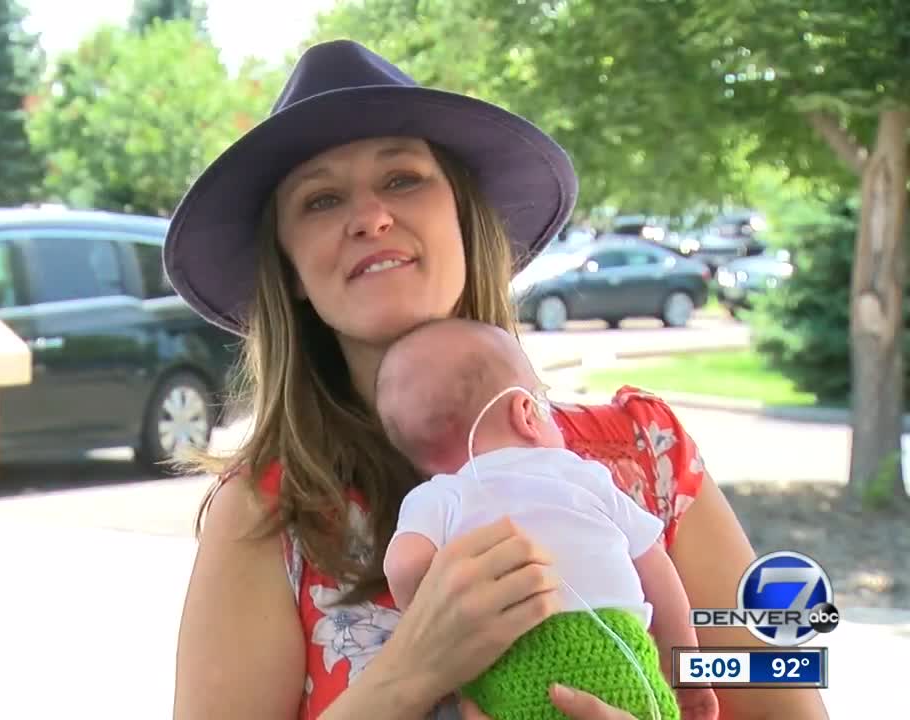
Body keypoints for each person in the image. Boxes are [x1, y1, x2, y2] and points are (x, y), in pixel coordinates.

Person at [167, 39, 829, 720]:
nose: (369, 217)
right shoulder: (268, 512)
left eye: (402, 178)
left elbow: (773, 688)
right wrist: (409, 672)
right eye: (321, 199)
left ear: (464, 215)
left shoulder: (646, 452)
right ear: (293, 274)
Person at [375, 318, 717, 720]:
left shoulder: (437, 497)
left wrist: (427, 626)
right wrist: (685, 667)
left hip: (510, 670)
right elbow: (656, 567)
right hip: (618, 663)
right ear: (526, 412)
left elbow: (403, 564)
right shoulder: (586, 476)